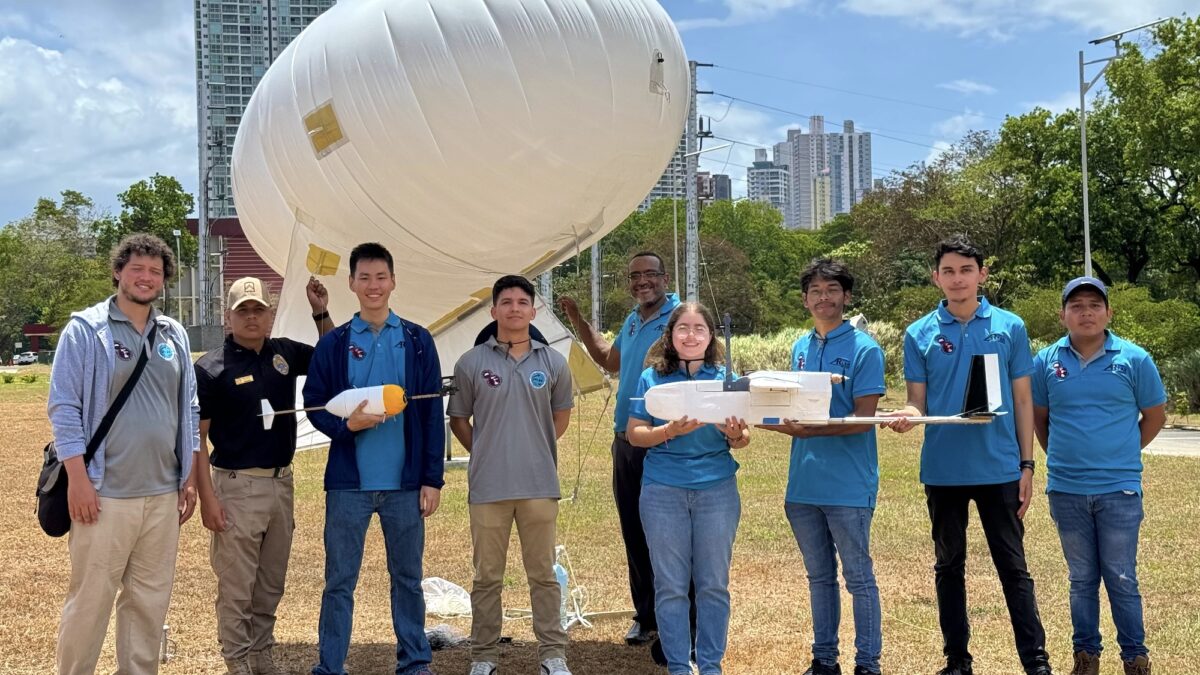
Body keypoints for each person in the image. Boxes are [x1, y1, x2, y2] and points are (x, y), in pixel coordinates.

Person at [882, 235, 1053, 675]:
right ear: (936, 277)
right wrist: (907, 414)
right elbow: (917, 402)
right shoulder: (918, 333)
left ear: (982, 274)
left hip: (999, 469)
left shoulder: (1010, 327)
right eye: (949, 271)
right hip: (943, 471)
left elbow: (1021, 400)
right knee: (948, 566)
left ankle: (1036, 662)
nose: (957, 279)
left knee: (1014, 568)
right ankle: (957, 661)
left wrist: (1027, 465)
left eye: (966, 270)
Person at [48, 233, 200, 675]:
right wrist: (78, 478)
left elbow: (188, 405)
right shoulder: (85, 329)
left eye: (155, 271)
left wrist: (186, 476)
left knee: (148, 602)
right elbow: (63, 406)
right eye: (137, 269)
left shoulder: (173, 334)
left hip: (161, 495)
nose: (146, 278)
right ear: (118, 272)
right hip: (104, 492)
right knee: (91, 600)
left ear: (165, 280)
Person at [303, 242, 445, 675]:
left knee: (407, 579)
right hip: (349, 486)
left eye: (380, 277)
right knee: (340, 581)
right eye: (364, 278)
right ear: (351, 283)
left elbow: (430, 412)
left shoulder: (418, 341)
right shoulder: (335, 343)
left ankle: (415, 661)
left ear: (393, 281)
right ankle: (330, 666)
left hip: (404, 486)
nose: (373, 286)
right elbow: (314, 404)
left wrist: (431, 478)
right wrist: (347, 428)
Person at [194, 275, 335, 675]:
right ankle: (237, 661)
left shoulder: (284, 353)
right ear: (229, 316)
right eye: (244, 311)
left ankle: (262, 655)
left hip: (280, 483)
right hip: (236, 486)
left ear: (270, 313)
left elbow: (333, 355)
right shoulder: (210, 369)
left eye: (259, 309)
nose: (252, 317)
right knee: (238, 586)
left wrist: (320, 310)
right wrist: (208, 498)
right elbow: (196, 441)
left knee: (271, 582)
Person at [1031, 277, 1165, 675]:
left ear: (1108, 312)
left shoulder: (1134, 359)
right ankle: (1086, 656)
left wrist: (1121, 453)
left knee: (1122, 576)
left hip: (1119, 489)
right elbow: (1040, 420)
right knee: (1081, 579)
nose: (1085, 312)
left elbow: (1155, 417)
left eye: (1094, 305)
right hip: (1066, 489)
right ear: (1062, 315)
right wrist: (1062, 457)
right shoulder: (1045, 362)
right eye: (1076, 306)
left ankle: (1135, 658)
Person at [760, 259, 885, 675]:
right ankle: (824, 660)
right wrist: (764, 419)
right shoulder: (799, 349)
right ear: (805, 300)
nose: (824, 297)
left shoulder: (865, 349)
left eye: (832, 290)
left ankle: (867, 663)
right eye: (815, 291)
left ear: (846, 297)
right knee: (819, 579)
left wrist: (813, 431)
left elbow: (865, 418)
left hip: (849, 486)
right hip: (803, 488)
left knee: (858, 579)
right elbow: (785, 412)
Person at [448, 275, 575, 675]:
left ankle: (552, 654)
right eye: (507, 302)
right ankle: (483, 656)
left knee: (542, 575)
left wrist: (530, 447)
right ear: (494, 311)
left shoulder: (554, 362)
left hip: (539, 485)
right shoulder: (471, 363)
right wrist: (488, 451)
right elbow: (459, 419)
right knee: (487, 576)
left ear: (533, 311)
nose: (515, 308)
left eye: (523, 302)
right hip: (489, 487)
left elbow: (560, 418)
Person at [559, 251, 680, 648]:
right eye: (634, 276)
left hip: (662, 439)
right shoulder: (634, 319)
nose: (642, 281)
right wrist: (577, 318)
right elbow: (609, 360)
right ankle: (645, 617)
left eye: (650, 274)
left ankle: (676, 620)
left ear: (665, 277)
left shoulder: (679, 319)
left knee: (667, 534)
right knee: (634, 530)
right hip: (625, 442)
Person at [626, 302, 750, 675]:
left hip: (717, 490)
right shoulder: (651, 378)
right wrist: (668, 431)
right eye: (683, 328)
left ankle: (710, 665)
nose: (691, 335)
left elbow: (744, 437)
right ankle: (678, 665)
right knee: (671, 586)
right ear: (671, 335)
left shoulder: (728, 377)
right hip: (663, 491)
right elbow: (635, 433)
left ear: (711, 336)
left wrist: (734, 434)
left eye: (699, 328)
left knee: (714, 584)